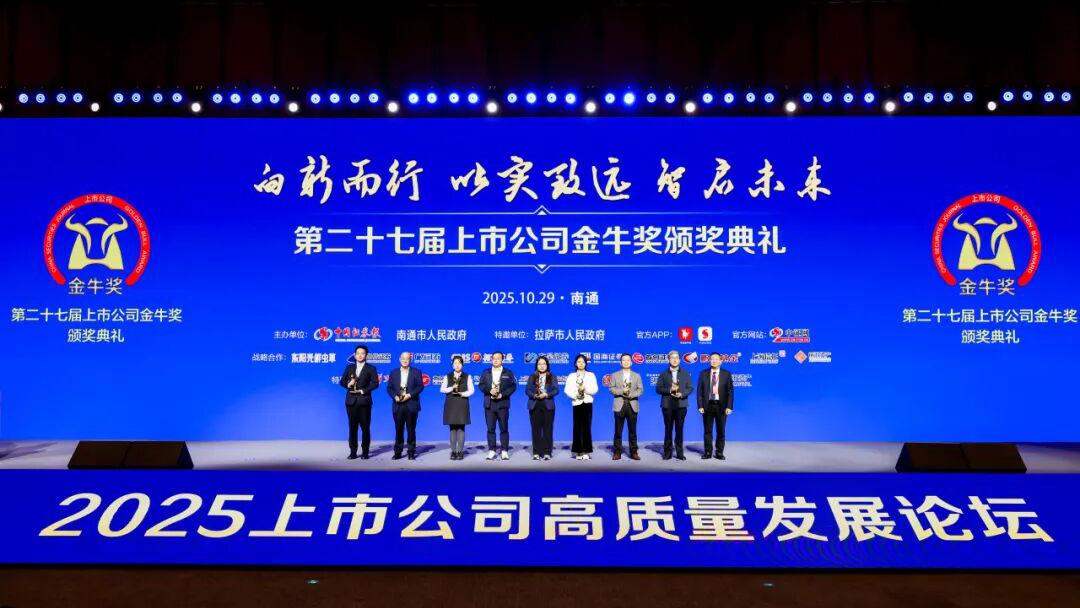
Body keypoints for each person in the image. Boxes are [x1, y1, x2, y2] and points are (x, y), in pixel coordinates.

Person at [338, 345, 380, 460]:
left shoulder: (371, 368)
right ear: (355, 355)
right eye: (358, 353)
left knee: (365, 428)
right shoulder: (349, 368)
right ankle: (353, 452)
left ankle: (365, 452)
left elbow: (375, 383)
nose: (360, 355)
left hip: (364, 401)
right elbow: (342, 382)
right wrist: (348, 384)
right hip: (351, 401)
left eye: (362, 353)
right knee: (352, 428)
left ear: (366, 355)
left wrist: (363, 391)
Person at [478, 352, 516, 460]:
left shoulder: (508, 373)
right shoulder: (486, 372)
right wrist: (489, 390)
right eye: (493, 358)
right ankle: (492, 450)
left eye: (498, 358)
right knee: (490, 428)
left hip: (502, 403)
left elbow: (513, 387)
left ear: (502, 360)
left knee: (504, 428)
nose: (495, 360)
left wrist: (502, 394)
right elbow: (481, 385)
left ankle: (504, 451)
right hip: (489, 404)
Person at [655, 350, 693, 460]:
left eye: (676, 358)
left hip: (681, 405)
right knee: (668, 429)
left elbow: (690, 388)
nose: (674, 360)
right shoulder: (663, 373)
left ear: (680, 360)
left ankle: (680, 453)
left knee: (679, 430)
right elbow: (658, 389)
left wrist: (682, 394)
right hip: (667, 405)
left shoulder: (685, 373)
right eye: (672, 358)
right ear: (668, 360)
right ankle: (667, 453)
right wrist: (669, 390)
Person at [386, 351, 425, 460]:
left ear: (410, 360)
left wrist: (409, 395)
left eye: (407, 358)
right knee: (399, 430)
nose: (405, 360)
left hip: (411, 404)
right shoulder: (394, 372)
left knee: (411, 430)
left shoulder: (416, 372)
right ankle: (398, 452)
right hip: (398, 405)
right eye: (403, 358)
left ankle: (411, 452)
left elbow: (420, 386)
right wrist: (395, 396)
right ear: (399, 359)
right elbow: (389, 388)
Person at [697, 352, 734, 460]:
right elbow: (699, 391)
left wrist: (729, 406)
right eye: (712, 359)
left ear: (721, 361)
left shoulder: (726, 374)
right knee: (707, 431)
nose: (714, 361)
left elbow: (730, 392)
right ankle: (708, 452)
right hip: (707, 405)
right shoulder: (703, 373)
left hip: (721, 406)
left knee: (721, 431)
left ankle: (719, 452)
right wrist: (700, 406)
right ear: (709, 361)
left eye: (716, 359)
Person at [608, 353, 644, 461]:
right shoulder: (615, 375)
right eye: (624, 360)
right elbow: (611, 388)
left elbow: (640, 390)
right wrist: (622, 391)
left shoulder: (637, 375)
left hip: (632, 405)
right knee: (618, 431)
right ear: (620, 362)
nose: (626, 362)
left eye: (628, 360)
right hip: (619, 405)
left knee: (632, 431)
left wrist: (631, 394)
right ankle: (617, 452)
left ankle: (634, 452)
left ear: (631, 362)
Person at [565, 353, 598, 460]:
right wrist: (576, 395)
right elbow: (567, 390)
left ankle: (586, 451)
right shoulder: (571, 376)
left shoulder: (591, 375)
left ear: (586, 363)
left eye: (583, 362)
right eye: (579, 362)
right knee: (577, 427)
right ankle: (579, 452)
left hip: (587, 403)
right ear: (575, 363)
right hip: (577, 402)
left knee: (587, 427)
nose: (581, 364)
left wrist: (585, 389)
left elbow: (595, 389)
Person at [525, 355, 559, 461]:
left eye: (544, 364)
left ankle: (547, 452)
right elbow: (527, 390)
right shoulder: (532, 376)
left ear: (547, 365)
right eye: (539, 364)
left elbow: (556, 390)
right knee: (536, 430)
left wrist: (547, 394)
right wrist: (535, 395)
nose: (542, 366)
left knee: (547, 429)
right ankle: (536, 452)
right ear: (536, 365)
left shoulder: (552, 376)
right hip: (535, 404)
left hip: (547, 405)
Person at [440, 355, 474, 460]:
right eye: (455, 363)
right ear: (452, 365)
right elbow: (442, 389)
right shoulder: (447, 376)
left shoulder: (467, 376)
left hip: (462, 403)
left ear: (462, 365)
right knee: (452, 428)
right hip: (451, 403)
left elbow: (472, 390)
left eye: (459, 363)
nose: (457, 365)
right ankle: (453, 452)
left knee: (461, 428)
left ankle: (460, 451)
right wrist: (451, 388)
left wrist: (463, 393)